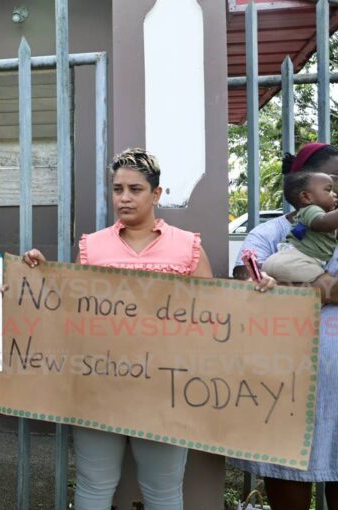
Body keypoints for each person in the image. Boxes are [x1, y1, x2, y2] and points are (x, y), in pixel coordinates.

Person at [23, 148, 274, 510]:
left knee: (162, 490)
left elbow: (213, 313)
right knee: (94, 485)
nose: (124, 197)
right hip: (100, 385)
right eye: (117, 188)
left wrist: (258, 292)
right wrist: (39, 278)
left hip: (164, 390)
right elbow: (71, 310)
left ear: (156, 194)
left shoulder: (186, 246)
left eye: (135, 189)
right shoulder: (92, 247)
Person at [231, 142, 338, 510]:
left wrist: (293, 290)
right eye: (333, 183)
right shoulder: (268, 232)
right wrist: (321, 288)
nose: (337, 192)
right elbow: (246, 282)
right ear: (306, 191)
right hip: (286, 385)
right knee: (287, 478)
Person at [261, 171, 338, 283]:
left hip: (277, 261)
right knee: (325, 282)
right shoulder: (311, 210)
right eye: (328, 190)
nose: (335, 194)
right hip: (297, 263)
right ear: (306, 197)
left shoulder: (304, 216)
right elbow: (323, 223)